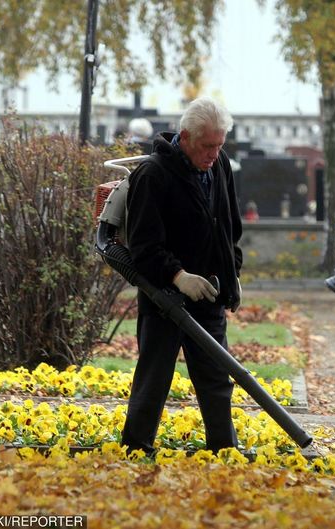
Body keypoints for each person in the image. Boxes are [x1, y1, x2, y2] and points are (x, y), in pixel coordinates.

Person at [121, 97, 243, 455]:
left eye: (220, 146)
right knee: (154, 378)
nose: (214, 155)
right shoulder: (153, 176)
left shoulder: (219, 167)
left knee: (216, 379)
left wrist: (231, 274)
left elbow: (228, 227)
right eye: (207, 146)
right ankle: (134, 450)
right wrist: (178, 276)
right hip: (164, 298)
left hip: (208, 292)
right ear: (186, 137)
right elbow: (143, 247)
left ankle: (224, 451)